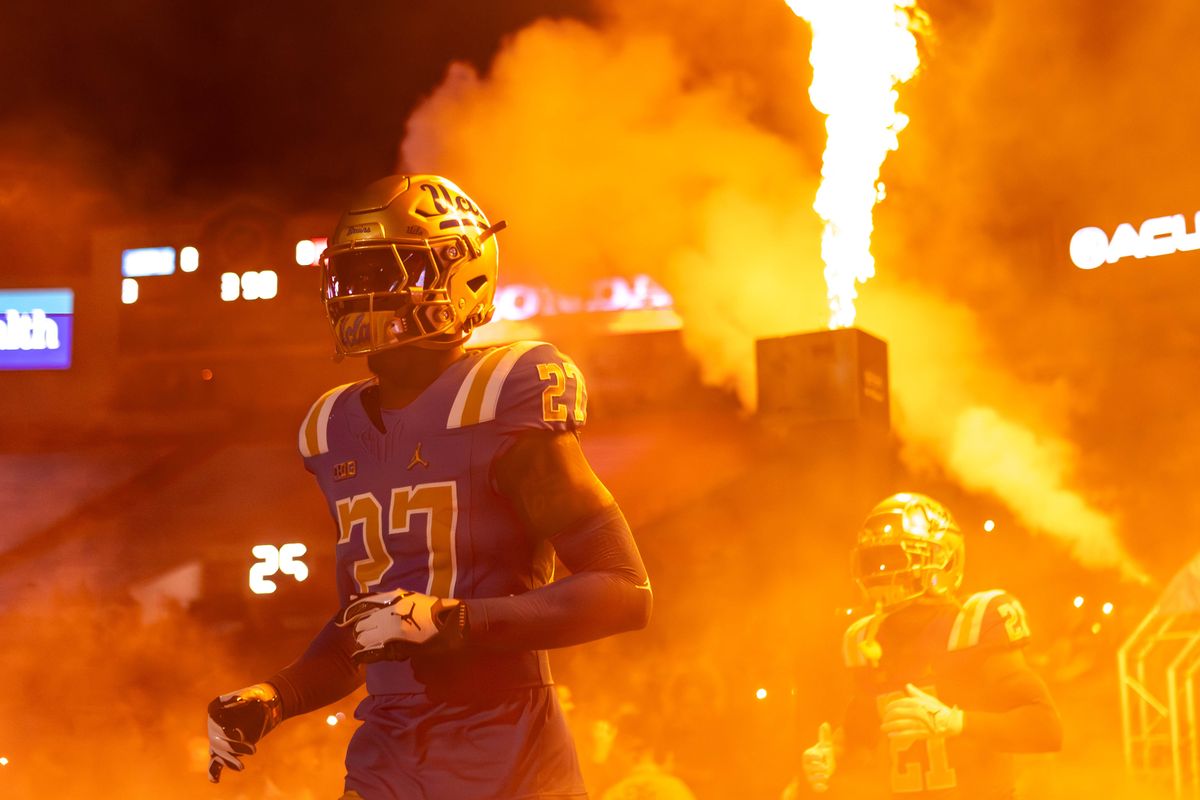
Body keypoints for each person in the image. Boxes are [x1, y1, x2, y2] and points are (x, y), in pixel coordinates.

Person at [206, 174, 653, 799]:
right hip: (387, 763)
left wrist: (457, 620)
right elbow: (366, 628)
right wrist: (275, 696)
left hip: (511, 765)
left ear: (460, 276)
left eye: (387, 272)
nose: (362, 295)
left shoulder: (504, 394)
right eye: (352, 276)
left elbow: (625, 590)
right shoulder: (332, 428)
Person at [795, 492, 1061, 798]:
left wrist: (955, 722)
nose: (883, 572)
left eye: (896, 558)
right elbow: (861, 733)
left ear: (944, 558)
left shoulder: (974, 623)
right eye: (875, 561)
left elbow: (1047, 729)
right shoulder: (867, 640)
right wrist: (832, 754)